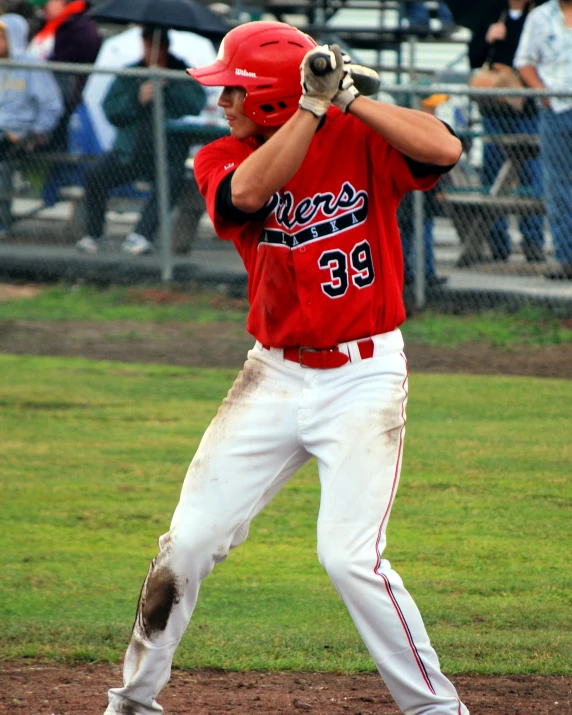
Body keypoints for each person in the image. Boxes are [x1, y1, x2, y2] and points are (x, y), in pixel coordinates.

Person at [102, 21, 467, 715]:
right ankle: (132, 702)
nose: (223, 103)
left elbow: (444, 147)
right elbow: (247, 194)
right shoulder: (217, 156)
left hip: (364, 377)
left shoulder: (357, 136)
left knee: (349, 557)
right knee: (188, 541)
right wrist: (310, 107)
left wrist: (350, 99)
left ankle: (436, 710)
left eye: (235, 91)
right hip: (271, 375)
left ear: (270, 96)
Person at [76, 26, 207, 256]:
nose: (150, 52)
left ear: (165, 47)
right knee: (95, 174)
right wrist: (137, 99)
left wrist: (167, 89)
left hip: (168, 153)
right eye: (146, 45)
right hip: (131, 152)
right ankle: (94, 235)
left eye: (154, 46)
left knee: (172, 179)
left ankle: (141, 236)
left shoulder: (182, 73)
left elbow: (196, 104)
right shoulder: (131, 73)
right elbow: (112, 111)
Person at [469, 0, 545, 263]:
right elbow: (475, 58)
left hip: (527, 109)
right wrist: (489, 39)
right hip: (494, 110)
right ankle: (496, 243)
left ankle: (533, 242)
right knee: (492, 171)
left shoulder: (539, 15)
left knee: (532, 175)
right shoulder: (492, 12)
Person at [515, 0, 572, 280]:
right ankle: (565, 257)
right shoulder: (540, 16)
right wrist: (544, 95)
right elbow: (524, 61)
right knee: (558, 184)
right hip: (556, 112)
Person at [0, 12, 63, 227]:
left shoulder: (31, 65)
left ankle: (1, 219)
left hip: (22, 135)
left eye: (2, 37)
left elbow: (51, 106)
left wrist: (35, 132)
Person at [27, 0, 102, 149]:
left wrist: (51, 62)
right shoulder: (45, 25)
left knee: (58, 145)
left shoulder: (81, 25)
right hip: (36, 94)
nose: (43, 9)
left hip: (66, 96)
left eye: (46, 4)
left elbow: (86, 50)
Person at [399, 93, 450, 289]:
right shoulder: (410, 131)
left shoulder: (424, 128)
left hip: (422, 196)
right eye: (428, 107)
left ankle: (418, 274)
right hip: (411, 195)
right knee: (414, 235)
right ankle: (419, 275)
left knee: (418, 233)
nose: (434, 111)